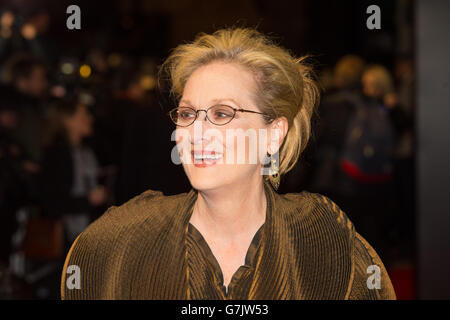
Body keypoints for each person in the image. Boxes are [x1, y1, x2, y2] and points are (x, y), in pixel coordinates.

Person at [61, 28, 396, 300]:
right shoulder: (123, 240)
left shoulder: (322, 240)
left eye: (222, 113)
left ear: (273, 133)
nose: (196, 132)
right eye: (188, 114)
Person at [40, 99, 107, 251]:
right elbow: (52, 201)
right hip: (67, 237)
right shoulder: (57, 155)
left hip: (89, 233)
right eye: (84, 115)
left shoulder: (86, 152)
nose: (90, 119)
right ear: (68, 121)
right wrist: (88, 200)